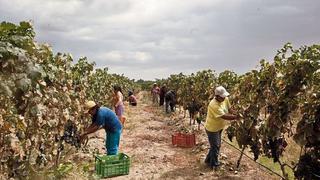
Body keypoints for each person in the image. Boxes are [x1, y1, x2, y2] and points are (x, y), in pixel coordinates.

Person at [204, 86, 239, 170]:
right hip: (212, 128)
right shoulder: (213, 105)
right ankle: (214, 165)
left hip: (219, 127)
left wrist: (236, 113)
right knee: (216, 146)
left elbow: (230, 109)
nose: (224, 98)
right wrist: (236, 117)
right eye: (222, 97)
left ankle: (208, 160)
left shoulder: (225, 99)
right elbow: (224, 116)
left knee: (215, 145)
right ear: (216, 96)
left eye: (224, 96)